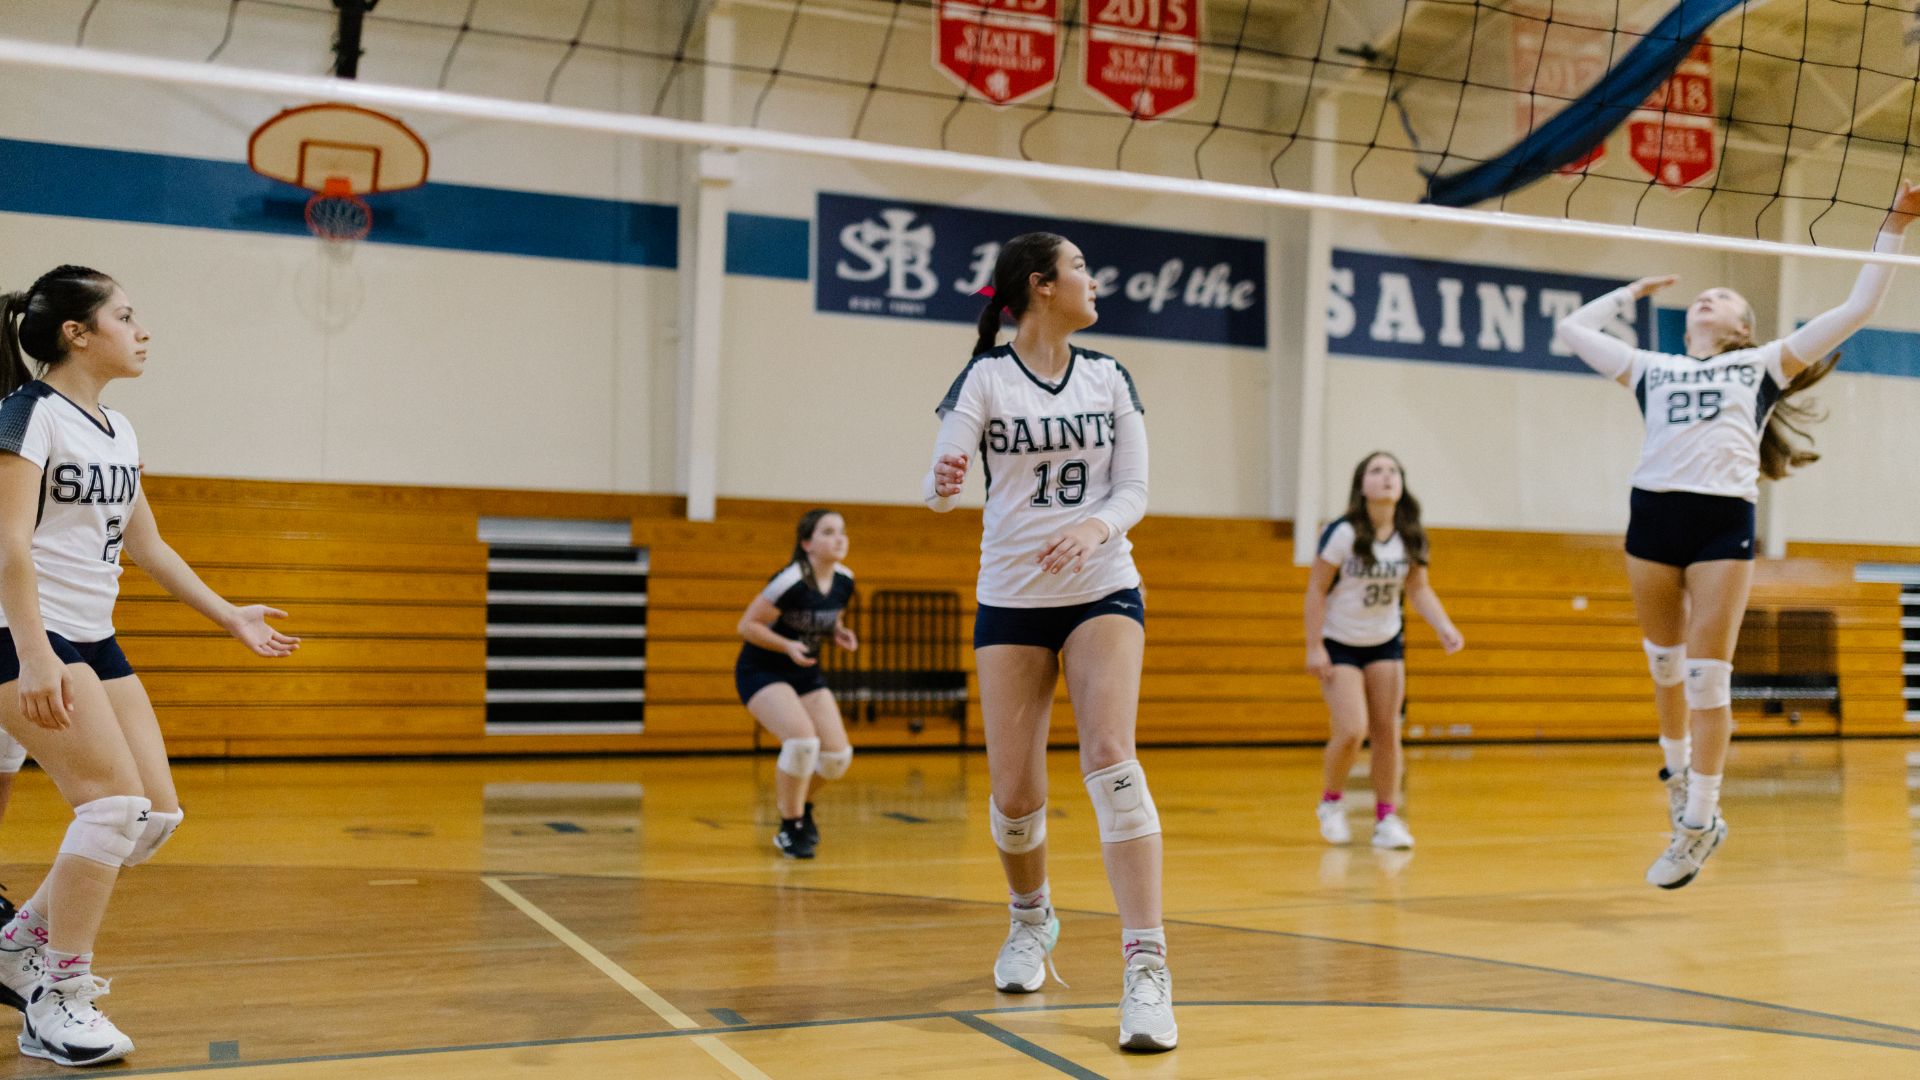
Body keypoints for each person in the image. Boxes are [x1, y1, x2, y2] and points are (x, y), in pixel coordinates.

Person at [1554, 180, 1920, 888]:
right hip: (1652, 517)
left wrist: (1896, 220)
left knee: (1705, 675)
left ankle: (1700, 821)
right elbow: (1572, 332)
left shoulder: (1762, 365)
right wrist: (1630, 292)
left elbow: (1859, 307)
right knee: (1662, 665)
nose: (1707, 300)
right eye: (1703, 297)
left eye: (1724, 299)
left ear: (1744, 328)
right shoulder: (1650, 369)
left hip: (1721, 521)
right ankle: (1678, 773)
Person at [0, 266, 299, 1065]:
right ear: (78, 332)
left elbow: (150, 546)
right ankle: (55, 997)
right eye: (126, 316)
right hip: (26, 638)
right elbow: (9, 544)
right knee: (108, 808)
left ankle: (17, 940)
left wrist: (229, 613)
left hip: (94, 637)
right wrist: (32, 656)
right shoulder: (28, 415)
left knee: (154, 816)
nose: (143, 330)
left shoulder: (118, 429)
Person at [924, 231, 1173, 1052]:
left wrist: (1097, 526)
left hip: (1103, 588)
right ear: (1040, 286)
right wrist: (944, 478)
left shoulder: (1108, 375)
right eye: (1079, 269)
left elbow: (1134, 487)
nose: (1093, 281)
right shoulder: (986, 377)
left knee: (1111, 756)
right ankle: (1031, 920)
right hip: (1013, 599)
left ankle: (1146, 969)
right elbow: (940, 476)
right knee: (1016, 795)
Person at [1305, 451, 1464, 851]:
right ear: (1362, 485)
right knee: (1351, 730)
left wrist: (1444, 626)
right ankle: (1331, 803)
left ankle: (1386, 819)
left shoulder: (1410, 533)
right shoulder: (1342, 533)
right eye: (1377, 470)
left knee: (1388, 733)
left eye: (1393, 470)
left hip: (1386, 643)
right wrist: (1314, 645)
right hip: (1341, 643)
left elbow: (1418, 588)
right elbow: (1316, 590)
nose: (1387, 476)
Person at [734, 509, 857, 860]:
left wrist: (838, 632)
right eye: (829, 532)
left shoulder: (845, 580)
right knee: (803, 742)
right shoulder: (790, 581)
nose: (839, 538)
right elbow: (747, 626)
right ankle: (791, 826)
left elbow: (828, 616)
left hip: (804, 674)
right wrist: (787, 645)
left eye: (842, 531)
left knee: (836, 757)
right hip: (762, 670)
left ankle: (800, 804)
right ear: (807, 544)